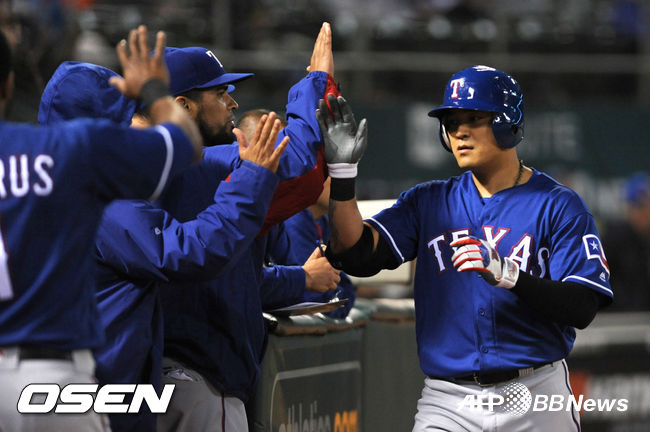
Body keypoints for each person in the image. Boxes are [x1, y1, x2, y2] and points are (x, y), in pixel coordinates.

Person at [319, 66, 613, 431]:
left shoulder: (557, 204)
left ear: (507, 122)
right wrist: (342, 175)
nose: (459, 131)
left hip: (537, 393)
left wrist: (509, 275)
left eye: (474, 119)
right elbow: (355, 253)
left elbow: (582, 306)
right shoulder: (428, 201)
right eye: (452, 122)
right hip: (449, 400)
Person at [38, 61, 289, 432]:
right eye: (125, 120)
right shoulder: (96, 195)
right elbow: (191, 251)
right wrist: (250, 179)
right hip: (91, 387)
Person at [0, 25, 203, 432]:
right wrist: (154, 91)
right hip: (50, 376)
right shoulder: (70, 147)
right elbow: (186, 144)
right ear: (8, 83)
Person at [157, 23, 338, 431]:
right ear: (183, 106)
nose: (233, 103)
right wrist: (316, 84)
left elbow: (235, 280)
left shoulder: (143, 169)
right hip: (197, 377)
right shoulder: (197, 165)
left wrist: (300, 279)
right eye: (220, 93)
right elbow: (300, 170)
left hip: (159, 373)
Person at [236, 109, 353, 317]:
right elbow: (239, 284)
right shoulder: (235, 206)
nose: (282, 164)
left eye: (286, 155)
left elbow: (335, 291)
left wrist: (302, 280)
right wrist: (303, 278)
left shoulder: (279, 214)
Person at [602, 172, 650, 311]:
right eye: (639, 207)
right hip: (617, 317)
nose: (645, 213)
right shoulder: (614, 239)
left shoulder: (645, 240)